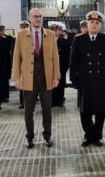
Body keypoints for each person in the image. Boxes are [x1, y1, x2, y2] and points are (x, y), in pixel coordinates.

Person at [12, 8, 60, 149]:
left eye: (40, 16)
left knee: (47, 109)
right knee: (28, 110)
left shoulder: (50, 35)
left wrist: (56, 76)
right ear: (30, 18)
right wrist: (16, 77)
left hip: (46, 77)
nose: (38, 19)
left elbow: (55, 57)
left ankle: (47, 136)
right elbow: (16, 58)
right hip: (28, 78)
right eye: (35, 16)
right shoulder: (21, 36)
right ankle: (29, 137)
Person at [70, 11, 105, 147]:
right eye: (92, 22)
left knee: (101, 111)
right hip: (85, 81)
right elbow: (73, 62)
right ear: (87, 24)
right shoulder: (79, 40)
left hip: (102, 81)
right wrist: (73, 79)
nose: (94, 25)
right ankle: (88, 135)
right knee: (85, 111)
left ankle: (98, 136)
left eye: (97, 23)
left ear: (100, 25)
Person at [49, 22, 70, 107]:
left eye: (56, 30)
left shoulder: (64, 41)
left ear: (59, 31)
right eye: (52, 30)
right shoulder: (46, 41)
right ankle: (52, 101)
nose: (54, 32)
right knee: (51, 85)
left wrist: (65, 69)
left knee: (61, 85)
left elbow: (67, 56)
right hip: (50, 68)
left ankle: (60, 101)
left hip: (61, 67)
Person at [0, 24, 14, 102]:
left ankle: (6, 96)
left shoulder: (9, 38)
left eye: (2, 30)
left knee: (5, 81)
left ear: (4, 30)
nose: (1, 31)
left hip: (6, 63)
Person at [17, 21, 30, 109]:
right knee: (22, 86)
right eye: (22, 27)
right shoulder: (17, 38)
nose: (24, 28)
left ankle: (31, 101)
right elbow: (14, 55)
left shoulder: (32, 37)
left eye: (26, 27)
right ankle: (22, 102)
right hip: (22, 66)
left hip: (31, 65)